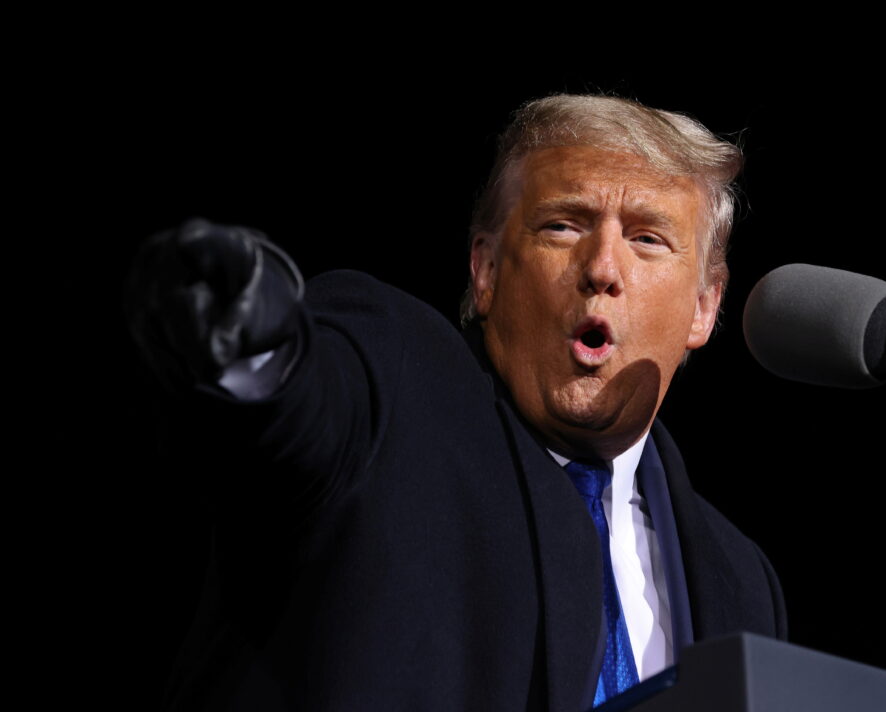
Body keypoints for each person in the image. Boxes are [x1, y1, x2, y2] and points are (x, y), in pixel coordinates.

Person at [128, 94, 787, 711]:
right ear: (487, 270)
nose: (602, 269)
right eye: (562, 225)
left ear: (704, 308)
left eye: (647, 238)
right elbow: (306, 411)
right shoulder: (395, 379)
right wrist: (259, 353)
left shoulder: (741, 581)